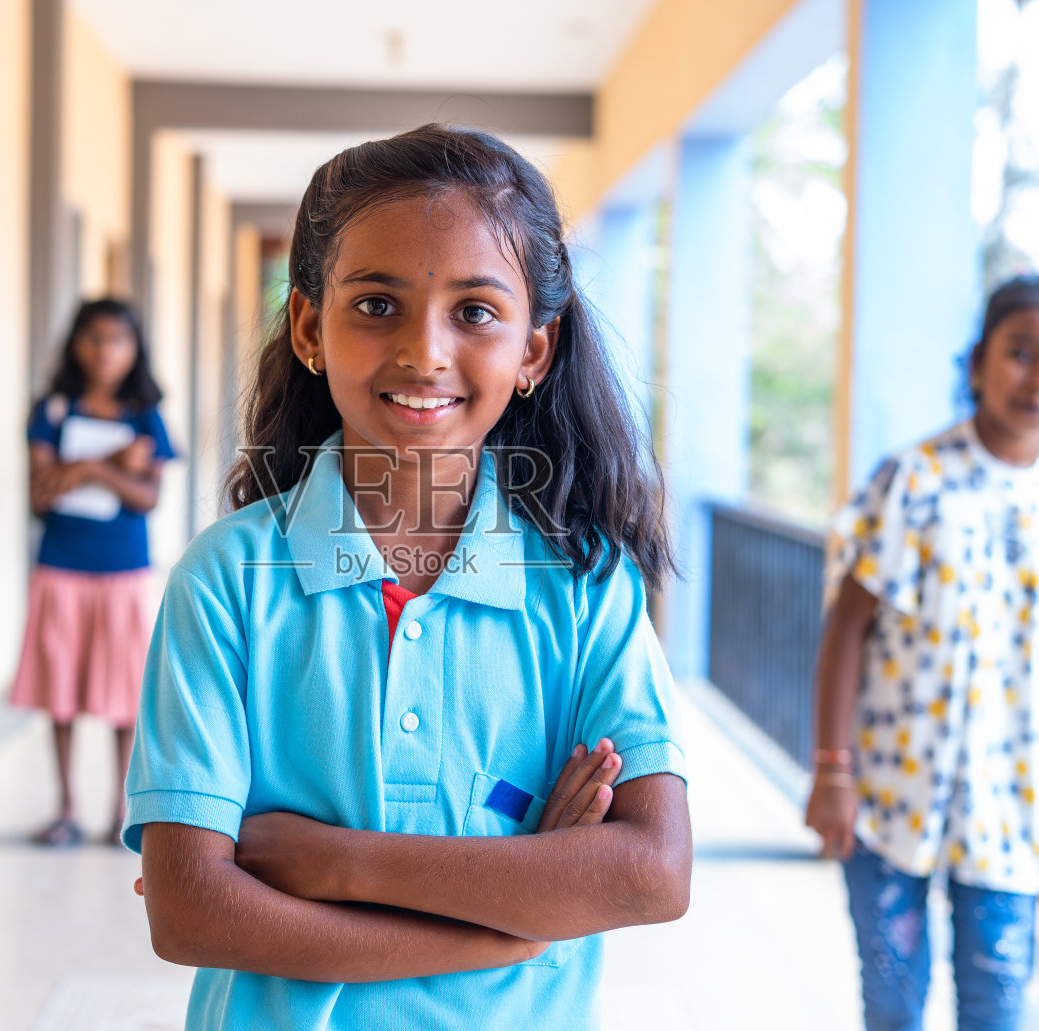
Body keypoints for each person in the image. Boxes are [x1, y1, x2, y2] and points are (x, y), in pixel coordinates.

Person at [124, 124, 692, 1030]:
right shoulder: (228, 580)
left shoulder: (585, 585)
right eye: (377, 304)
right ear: (310, 327)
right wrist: (512, 925)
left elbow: (652, 871)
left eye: (475, 311)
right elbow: (190, 911)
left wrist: (337, 862)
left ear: (534, 350)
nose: (424, 352)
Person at [805, 275, 1039, 1030]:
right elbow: (846, 630)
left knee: (996, 1008)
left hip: (1011, 811)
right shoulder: (913, 480)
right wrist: (831, 773)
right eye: (1021, 353)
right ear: (980, 360)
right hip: (888, 800)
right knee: (892, 1004)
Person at [11, 297, 172, 846]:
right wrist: (106, 466)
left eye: (119, 340)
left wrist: (84, 471)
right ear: (75, 344)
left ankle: (119, 811)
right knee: (61, 692)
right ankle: (65, 809)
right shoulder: (52, 411)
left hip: (123, 572)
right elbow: (40, 494)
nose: (106, 351)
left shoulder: (145, 415)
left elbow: (148, 497)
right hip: (60, 568)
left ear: (134, 349)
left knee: (123, 696)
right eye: (95, 338)